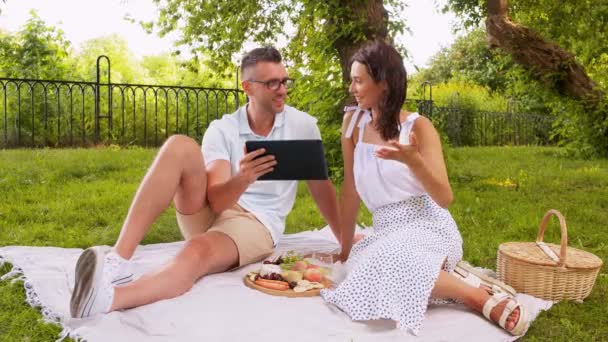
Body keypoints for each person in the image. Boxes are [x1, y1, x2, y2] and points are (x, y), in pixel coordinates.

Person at [70, 47, 342, 318]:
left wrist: (346, 240)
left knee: (196, 250)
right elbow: (218, 200)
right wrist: (244, 178)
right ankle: (119, 262)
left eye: (284, 81)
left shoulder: (303, 125)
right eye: (272, 83)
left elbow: (320, 186)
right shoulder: (223, 128)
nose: (282, 89)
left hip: (256, 224)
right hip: (217, 207)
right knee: (179, 146)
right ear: (248, 87)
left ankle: (107, 300)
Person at [320, 40, 530, 336]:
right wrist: (343, 251)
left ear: (383, 84)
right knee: (355, 269)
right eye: (351, 80)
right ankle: (453, 278)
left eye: (358, 80)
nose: (352, 88)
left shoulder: (419, 128)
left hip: (428, 225)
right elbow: (351, 189)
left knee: (386, 261)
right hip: (386, 229)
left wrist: (414, 161)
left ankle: (476, 297)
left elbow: (444, 198)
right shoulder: (351, 123)